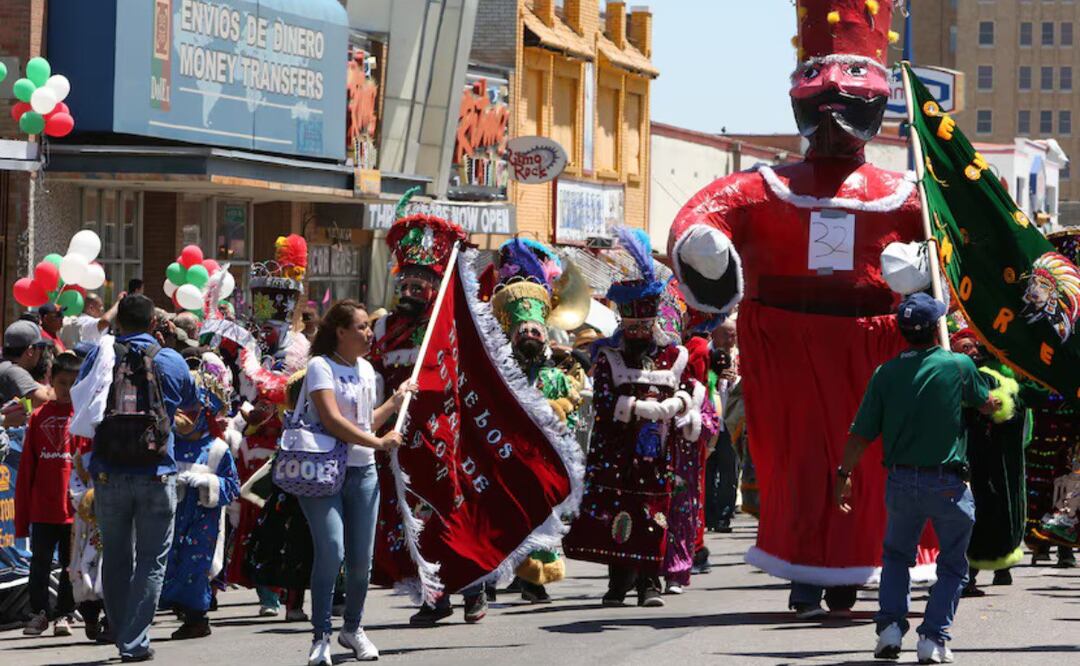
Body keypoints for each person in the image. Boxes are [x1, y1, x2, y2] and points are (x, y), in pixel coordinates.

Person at [667, 0, 939, 616]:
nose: (835, 117)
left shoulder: (904, 192)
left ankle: (851, 568)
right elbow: (699, 213)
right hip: (784, 350)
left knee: (869, 462)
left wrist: (926, 267)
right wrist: (701, 246)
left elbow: (956, 243)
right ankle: (804, 564)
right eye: (821, 103)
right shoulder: (767, 186)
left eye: (850, 103)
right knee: (792, 465)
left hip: (873, 351)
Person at [834, 293, 999, 664]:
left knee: (896, 557)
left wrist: (844, 473)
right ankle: (933, 638)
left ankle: (890, 630)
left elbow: (860, 433)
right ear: (937, 326)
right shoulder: (958, 366)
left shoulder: (884, 373)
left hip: (902, 481)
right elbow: (986, 404)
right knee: (954, 564)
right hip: (947, 483)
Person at [564, 228, 705, 608]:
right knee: (616, 512)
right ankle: (618, 583)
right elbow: (606, 402)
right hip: (617, 452)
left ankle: (649, 584)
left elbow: (691, 390)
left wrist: (674, 407)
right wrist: (641, 409)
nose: (639, 333)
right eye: (633, 327)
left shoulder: (672, 356)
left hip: (657, 453)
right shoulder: (609, 357)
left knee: (653, 512)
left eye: (644, 326)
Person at [71, 294, 198, 663]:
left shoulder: (101, 355)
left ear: (120, 322)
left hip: (109, 472)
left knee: (116, 555)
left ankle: (123, 631)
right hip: (157, 472)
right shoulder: (169, 359)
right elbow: (191, 401)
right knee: (152, 560)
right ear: (154, 325)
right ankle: (134, 640)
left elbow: (83, 396)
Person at [366, 211, 469, 625]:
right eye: (403, 283)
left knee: (442, 513)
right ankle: (433, 597)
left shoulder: (445, 327)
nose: (408, 291)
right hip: (394, 437)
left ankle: (471, 584)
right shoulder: (384, 328)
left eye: (418, 285)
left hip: (437, 435)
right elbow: (373, 374)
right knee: (405, 518)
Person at [294, 300, 410, 665]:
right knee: (331, 550)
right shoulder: (319, 367)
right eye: (360, 327)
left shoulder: (365, 370)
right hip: (322, 473)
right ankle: (320, 636)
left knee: (361, 561)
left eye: (367, 326)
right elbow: (330, 420)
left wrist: (393, 402)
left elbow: (363, 422)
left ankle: (353, 628)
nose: (367, 333)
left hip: (363, 472)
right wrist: (379, 443)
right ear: (340, 332)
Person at [489, 239, 583, 603]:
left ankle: (534, 579)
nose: (529, 336)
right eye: (522, 332)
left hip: (543, 464)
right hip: (507, 459)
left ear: (544, 336)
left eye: (535, 332)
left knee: (542, 521)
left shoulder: (557, 377)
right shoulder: (500, 373)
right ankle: (494, 576)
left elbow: (570, 421)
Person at [159, 352, 241, 639]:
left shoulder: (217, 449)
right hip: (169, 518)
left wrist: (207, 481)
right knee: (167, 563)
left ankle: (197, 619)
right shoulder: (168, 444)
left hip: (201, 524)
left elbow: (232, 487)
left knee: (195, 567)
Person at [949, 329, 1033, 596]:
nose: (973, 352)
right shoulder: (952, 375)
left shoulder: (998, 376)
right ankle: (970, 572)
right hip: (964, 457)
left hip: (996, 456)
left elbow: (1010, 410)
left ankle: (996, 565)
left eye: (974, 346)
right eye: (965, 348)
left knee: (998, 505)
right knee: (970, 512)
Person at [14, 351, 82, 637]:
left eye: (73, 383)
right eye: (62, 383)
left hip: (74, 508)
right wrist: (23, 513)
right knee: (39, 564)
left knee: (70, 564)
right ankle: (40, 612)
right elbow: (28, 467)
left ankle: (64, 614)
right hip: (43, 506)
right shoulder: (39, 417)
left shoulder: (82, 418)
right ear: (51, 382)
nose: (67, 389)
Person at [0, 321, 53, 428]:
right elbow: (46, 400)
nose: (41, 353)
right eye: (41, 347)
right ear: (30, 351)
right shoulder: (14, 371)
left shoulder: (5, 367)